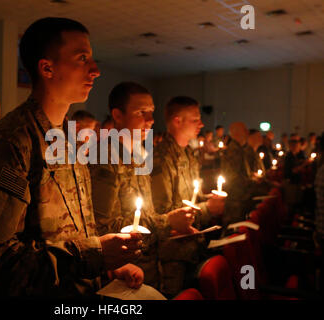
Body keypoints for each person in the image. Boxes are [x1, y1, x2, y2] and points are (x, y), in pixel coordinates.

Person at [0, 17, 144, 299]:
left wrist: (106, 267)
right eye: (82, 59)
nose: (95, 70)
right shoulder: (9, 143)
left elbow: (73, 233)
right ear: (47, 68)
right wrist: (93, 255)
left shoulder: (68, 139)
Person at [89, 82, 198, 297]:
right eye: (141, 112)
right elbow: (101, 225)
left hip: (148, 263)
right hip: (124, 271)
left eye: (151, 112)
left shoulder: (139, 156)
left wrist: (169, 225)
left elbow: (144, 213)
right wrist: (166, 222)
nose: (150, 120)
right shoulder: (104, 157)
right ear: (118, 116)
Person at [151, 96, 225, 229]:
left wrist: (210, 199)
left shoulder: (189, 153)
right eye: (195, 120)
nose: (201, 124)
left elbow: (193, 197)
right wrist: (207, 208)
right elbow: (164, 213)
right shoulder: (160, 158)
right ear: (177, 121)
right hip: (174, 245)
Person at [221, 122, 261, 225]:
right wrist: (253, 181)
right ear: (238, 133)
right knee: (235, 230)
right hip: (236, 200)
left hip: (241, 198)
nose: (247, 132)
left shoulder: (239, 149)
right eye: (245, 130)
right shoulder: (233, 151)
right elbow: (234, 178)